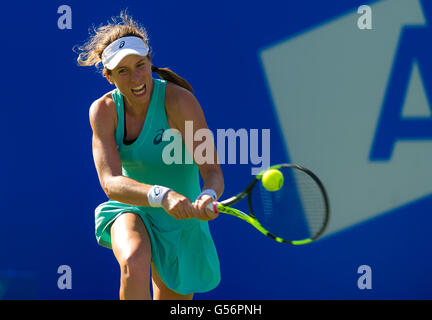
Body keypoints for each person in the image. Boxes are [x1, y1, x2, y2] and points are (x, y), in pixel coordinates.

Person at [76, 11, 224, 300]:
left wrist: (209, 195)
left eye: (140, 65)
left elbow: (212, 171)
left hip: (182, 220)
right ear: (108, 77)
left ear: (150, 62)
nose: (136, 78)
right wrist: (162, 195)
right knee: (133, 259)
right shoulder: (103, 111)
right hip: (134, 208)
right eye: (123, 71)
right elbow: (111, 183)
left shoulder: (181, 102)